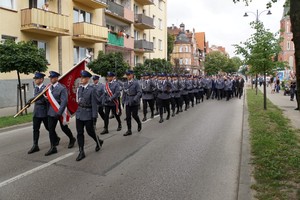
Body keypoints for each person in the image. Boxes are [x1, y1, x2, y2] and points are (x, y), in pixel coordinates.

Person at [45, 71, 76, 156]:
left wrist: (59, 113)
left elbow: (64, 101)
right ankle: (53, 147)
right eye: (50, 78)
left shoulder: (62, 88)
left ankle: (72, 138)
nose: (51, 79)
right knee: (51, 130)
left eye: (52, 77)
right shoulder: (49, 88)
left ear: (56, 78)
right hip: (51, 112)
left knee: (64, 128)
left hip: (60, 112)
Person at [75, 70, 103, 161]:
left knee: (90, 131)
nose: (81, 79)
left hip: (88, 113)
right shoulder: (79, 88)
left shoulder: (92, 89)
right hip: (79, 113)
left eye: (83, 78)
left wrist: (94, 116)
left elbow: (94, 104)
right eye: (81, 78)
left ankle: (98, 140)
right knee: (79, 133)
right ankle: (81, 151)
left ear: (87, 79)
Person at [26, 72, 49, 154]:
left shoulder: (46, 88)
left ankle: (56, 138)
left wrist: (32, 99)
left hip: (43, 111)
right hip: (36, 111)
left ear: (41, 79)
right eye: (35, 79)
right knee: (35, 129)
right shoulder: (35, 88)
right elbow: (35, 99)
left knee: (48, 128)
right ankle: (35, 145)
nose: (35, 80)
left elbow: (42, 98)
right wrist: (29, 102)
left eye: (36, 79)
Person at [122, 70, 142, 136]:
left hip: (134, 101)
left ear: (132, 75)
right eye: (127, 75)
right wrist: (123, 101)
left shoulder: (136, 83)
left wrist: (135, 99)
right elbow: (124, 93)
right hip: (128, 101)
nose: (128, 76)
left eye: (129, 75)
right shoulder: (125, 83)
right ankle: (129, 130)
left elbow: (139, 92)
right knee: (128, 117)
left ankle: (139, 123)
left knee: (134, 115)